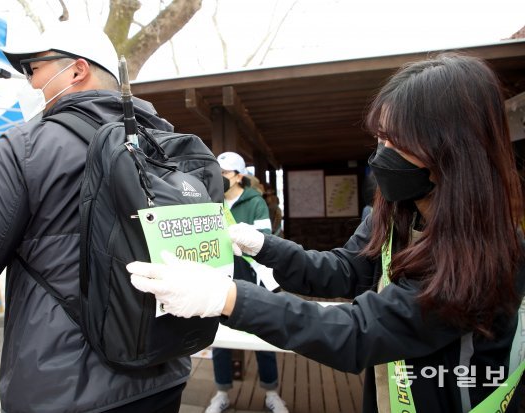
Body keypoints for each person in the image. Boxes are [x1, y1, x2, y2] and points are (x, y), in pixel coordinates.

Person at [127, 53, 525, 412]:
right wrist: (266, 247)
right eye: (379, 137)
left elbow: (358, 333)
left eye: (395, 141)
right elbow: (343, 270)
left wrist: (227, 297)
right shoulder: (396, 214)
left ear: (451, 149)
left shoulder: (490, 256)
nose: (380, 153)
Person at [0, 23, 189, 413]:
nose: (28, 84)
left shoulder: (29, 146)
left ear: (77, 70)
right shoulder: (168, 145)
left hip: (66, 389)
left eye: (32, 70)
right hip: (165, 370)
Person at [208, 152, 288, 413]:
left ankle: (271, 391)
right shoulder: (212, 201)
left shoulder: (256, 203)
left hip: (253, 279)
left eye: (224, 173)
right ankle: (221, 392)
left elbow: (264, 240)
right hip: (221, 278)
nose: (219, 178)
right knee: (219, 337)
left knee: (262, 334)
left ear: (239, 176)